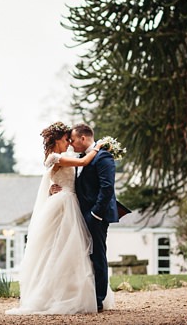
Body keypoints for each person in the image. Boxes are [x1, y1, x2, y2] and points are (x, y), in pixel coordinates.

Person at [6, 122, 102, 315]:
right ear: (57, 139)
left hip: (68, 201)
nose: (69, 143)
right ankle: (53, 295)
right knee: (57, 248)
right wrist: (98, 147)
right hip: (63, 205)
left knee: (68, 250)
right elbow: (83, 163)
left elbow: (57, 177)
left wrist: (52, 187)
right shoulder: (55, 156)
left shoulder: (61, 156)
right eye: (66, 139)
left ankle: (70, 291)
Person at [60, 122, 120, 313]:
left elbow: (107, 188)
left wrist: (96, 214)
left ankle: (99, 300)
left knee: (98, 255)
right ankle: (84, 296)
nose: (71, 144)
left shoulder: (103, 157)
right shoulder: (80, 157)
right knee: (83, 256)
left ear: (83, 138)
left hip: (96, 216)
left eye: (73, 139)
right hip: (80, 214)